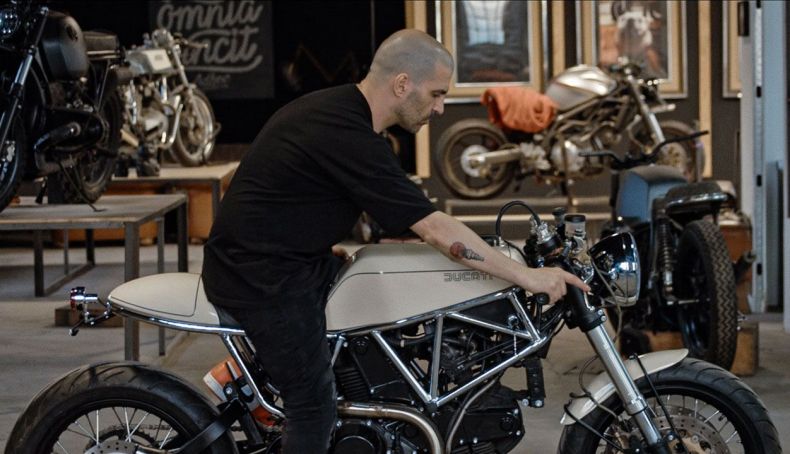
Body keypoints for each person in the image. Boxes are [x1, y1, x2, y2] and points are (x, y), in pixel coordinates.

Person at [202, 28, 589, 453]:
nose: (440, 108)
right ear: (402, 84)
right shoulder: (347, 133)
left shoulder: (345, 114)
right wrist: (525, 275)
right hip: (261, 278)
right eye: (437, 94)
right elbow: (435, 228)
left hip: (293, 260)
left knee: (380, 330)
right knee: (313, 406)